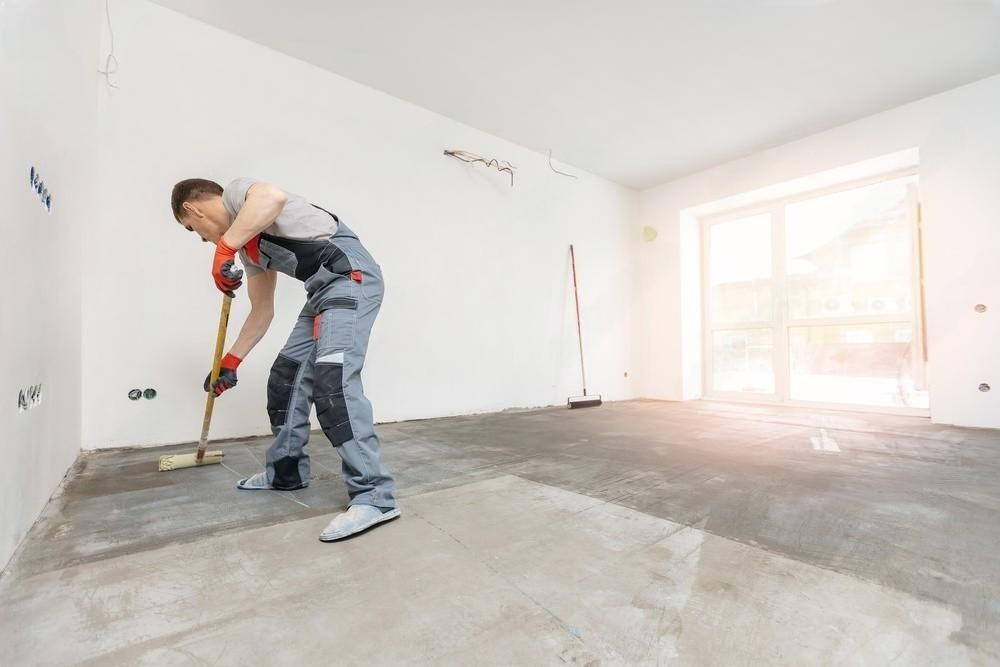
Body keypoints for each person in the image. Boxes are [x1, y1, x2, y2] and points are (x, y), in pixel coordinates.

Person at [170, 177, 399, 542]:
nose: (201, 238)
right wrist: (230, 362)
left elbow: (272, 197)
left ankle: (375, 496)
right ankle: (285, 472)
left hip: (351, 278)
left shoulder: (239, 195)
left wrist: (223, 250)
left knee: (333, 382)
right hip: (321, 293)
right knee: (286, 378)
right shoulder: (248, 249)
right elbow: (262, 311)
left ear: (192, 209)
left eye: (192, 230)